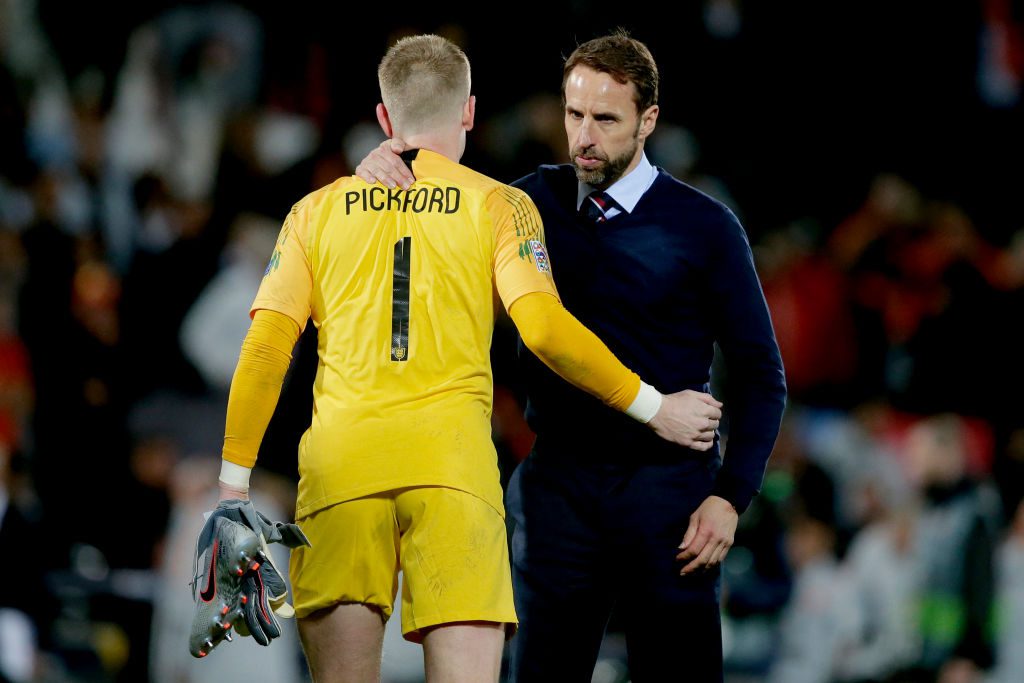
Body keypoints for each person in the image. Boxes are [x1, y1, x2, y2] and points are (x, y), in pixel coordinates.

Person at [208, 34, 714, 682]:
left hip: (340, 472)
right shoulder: (500, 205)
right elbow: (546, 332)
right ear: (469, 112)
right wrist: (655, 406)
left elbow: (265, 349)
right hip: (454, 472)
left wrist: (233, 485)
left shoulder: (314, 212)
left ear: (386, 120)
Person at [357, 30, 787, 681]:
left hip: (669, 491)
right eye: (573, 113)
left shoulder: (704, 226)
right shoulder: (526, 201)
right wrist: (385, 168)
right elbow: (436, 215)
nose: (583, 134)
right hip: (558, 485)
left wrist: (731, 497)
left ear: (648, 121)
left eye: (605, 119)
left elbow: (762, 376)